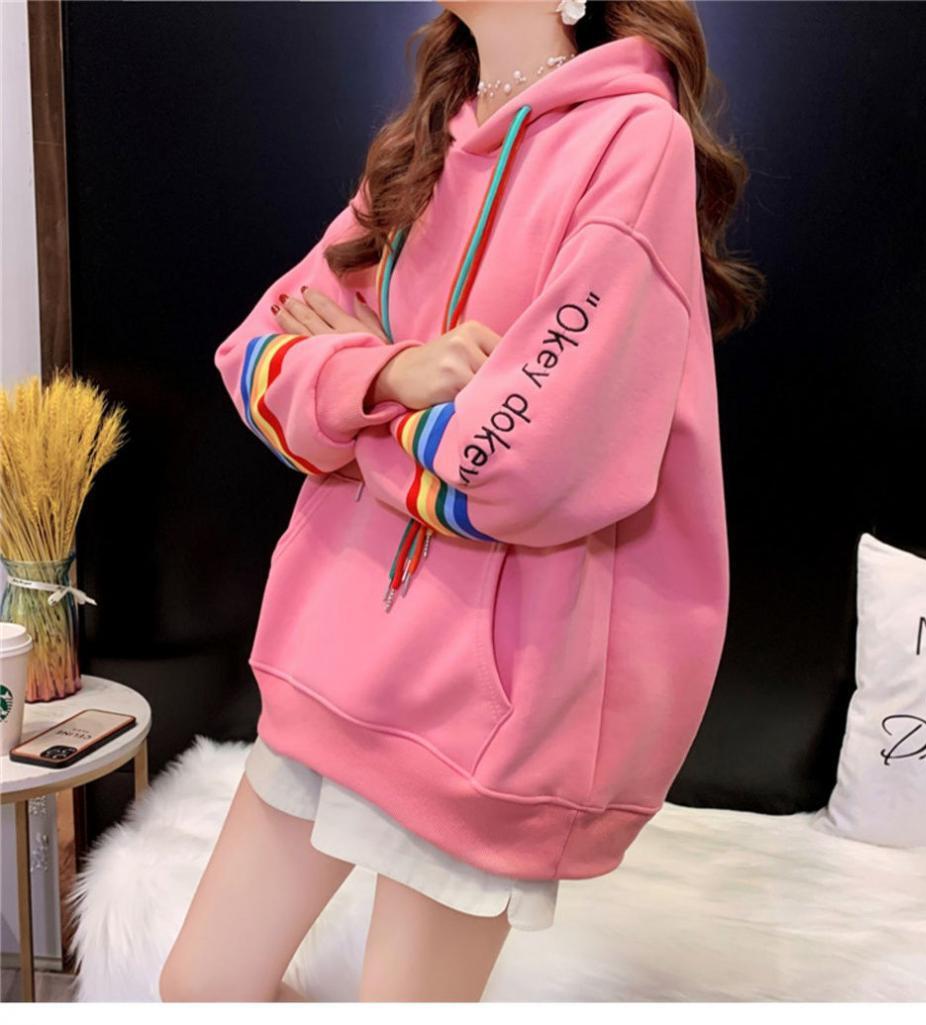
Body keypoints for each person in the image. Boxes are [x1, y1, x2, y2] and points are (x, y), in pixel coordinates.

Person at [160, 0, 764, 1003]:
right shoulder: (424, 142)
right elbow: (255, 354)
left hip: (487, 715)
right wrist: (397, 373)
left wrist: (352, 407)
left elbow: (528, 460)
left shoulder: (633, 140)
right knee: (201, 986)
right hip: (331, 666)